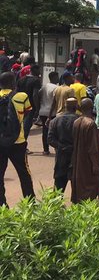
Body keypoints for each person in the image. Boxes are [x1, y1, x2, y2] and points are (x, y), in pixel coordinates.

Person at [0, 72, 35, 207]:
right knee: (24, 173)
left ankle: (3, 205)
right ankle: (30, 203)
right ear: (13, 82)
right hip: (18, 142)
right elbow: (27, 112)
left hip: (1, 143)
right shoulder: (22, 96)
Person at [71, 98, 99, 203]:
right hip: (88, 160)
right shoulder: (90, 124)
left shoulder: (76, 122)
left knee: (80, 182)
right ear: (91, 108)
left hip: (78, 158)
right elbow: (93, 148)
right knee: (90, 184)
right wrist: (95, 165)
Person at [48, 96, 78, 192]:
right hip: (76, 156)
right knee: (77, 185)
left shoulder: (55, 121)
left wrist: (62, 147)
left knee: (59, 186)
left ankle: (55, 206)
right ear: (75, 107)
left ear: (65, 107)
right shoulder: (79, 120)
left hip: (61, 155)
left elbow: (50, 139)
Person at [38, 71, 59, 155]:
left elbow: (38, 95)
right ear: (53, 77)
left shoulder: (44, 86)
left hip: (43, 111)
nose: (58, 78)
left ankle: (45, 149)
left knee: (45, 130)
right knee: (55, 131)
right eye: (57, 77)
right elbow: (55, 102)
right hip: (52, 112)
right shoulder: (56, 88)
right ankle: (56, 148)